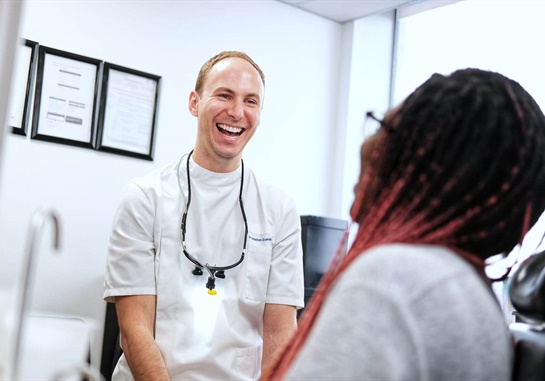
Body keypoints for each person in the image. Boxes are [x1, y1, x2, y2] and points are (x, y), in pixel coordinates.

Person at [262, 68, 545, 380]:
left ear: (430, 165)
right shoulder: (463, 290)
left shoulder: (396, 278)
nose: (367, 147)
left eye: (385, 129)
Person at [103, 51, 304, 380]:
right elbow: (134, 329)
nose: (237, 112)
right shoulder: (144, 197)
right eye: (224, 95)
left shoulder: (278, 208)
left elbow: (280, 333)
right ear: (195, 103)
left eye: (250, 101)